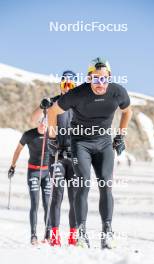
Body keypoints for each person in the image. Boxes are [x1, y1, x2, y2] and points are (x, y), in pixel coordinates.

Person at [46, 57, 132, 249]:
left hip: (103, 143)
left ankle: (107, 233)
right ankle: (81, 233)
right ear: (89, 78)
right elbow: (52, 112)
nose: (100, 83)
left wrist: (120, 136)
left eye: (104, 79)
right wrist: (52, 139)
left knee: (105, 184)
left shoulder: (118, 92)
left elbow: (127, 112)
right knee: (83, 184)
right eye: (95, 79)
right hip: (81, 143)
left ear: (109, 78)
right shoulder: (77, 94)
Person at [32, 70, 77, 247]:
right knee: (56, 195)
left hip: (74, 156)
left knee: (75, 196)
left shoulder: (80, 104)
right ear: (61, 85)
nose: (67, 88)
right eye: (64, 84)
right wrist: (41, 106)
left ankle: (74, 235)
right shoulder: (52, 102)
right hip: (56, 154)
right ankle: (54, 235)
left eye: (71, 85)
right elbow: (34, 119)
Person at [8, 119, 51, 245]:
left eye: (46, 124)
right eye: (42, 123)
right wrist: (13, 166)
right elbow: (18, 149)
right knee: (35, 203)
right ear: (38, 123)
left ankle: (48, 234)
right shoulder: (29, 134)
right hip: (33, 172)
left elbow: (59, 150)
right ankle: (33, 235)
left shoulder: (52, 134)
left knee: (47, 203)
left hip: (47, 173)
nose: (44, 126)